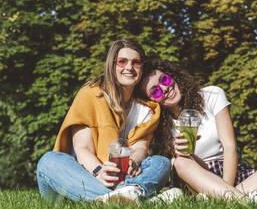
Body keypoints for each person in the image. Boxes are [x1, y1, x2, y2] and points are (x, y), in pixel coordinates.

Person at [139, 59, 257, 204]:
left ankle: (227, 200)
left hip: (230, 170)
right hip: (198, 179)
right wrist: (187, 154)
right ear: (152, 101)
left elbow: (230, 146)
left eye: (164, 79)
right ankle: (246, 200)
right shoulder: (160, 125)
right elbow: (186, 168)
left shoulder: (211, 94)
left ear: (172, 76)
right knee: (181, 162)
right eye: (155, 91)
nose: (165, 88)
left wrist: (226, 188)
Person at [36, 39, 170, 203]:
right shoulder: (91, 94)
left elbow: (141, 146)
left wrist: (134, 161)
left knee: (160, 162)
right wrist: (99, 172)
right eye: (122, 62)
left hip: (122, 177)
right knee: (49, 161)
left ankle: (119, 197)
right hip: (83, 176)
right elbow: (83, 148)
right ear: (112, 66)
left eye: (136, 63)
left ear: (141, 68)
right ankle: (132, 197)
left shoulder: (147, 109)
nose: (129, 67)